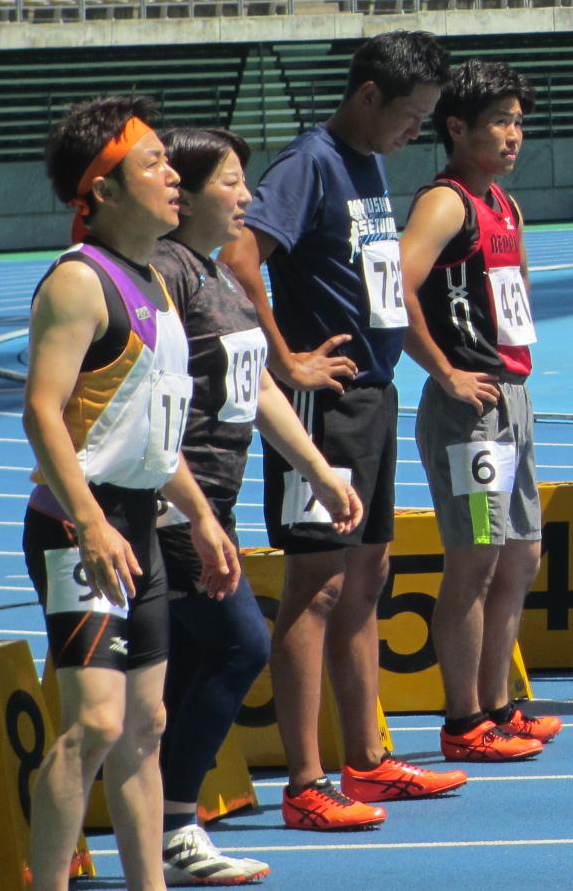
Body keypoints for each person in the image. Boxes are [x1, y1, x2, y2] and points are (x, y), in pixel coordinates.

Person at [219, 31, 462, 831]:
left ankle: (366, 759)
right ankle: (306, 781)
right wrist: (284, 361)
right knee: (316, 587)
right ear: (366, 96)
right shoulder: (310, 162)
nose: (415, 131)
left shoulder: (369, 161)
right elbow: (241, 254)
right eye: (410, 115)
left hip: (374, 396)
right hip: (329, 405)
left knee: (367, 578)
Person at [20, 96, 241, 891]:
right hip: (82, 527)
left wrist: (202, 515)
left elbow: (148, 431)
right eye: (152, 164)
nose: (173, 176)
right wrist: (88, 523)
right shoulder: (80, 284)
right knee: (95, 724)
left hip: (138, 522)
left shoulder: (156, 281)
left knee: (145, 725)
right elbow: (42, 411)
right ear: (102, 191)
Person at [151, 126, 365, 885]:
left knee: (184, 665)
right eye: (233, 182)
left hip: (214, 501)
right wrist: (191, 510)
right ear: (185, 191)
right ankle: (174, 827)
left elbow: (261, 387)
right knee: (241, 645)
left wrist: (319, 468)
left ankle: (160, 824)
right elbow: (148, 404)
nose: (247, 196)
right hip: (172, 507)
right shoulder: (165, 276)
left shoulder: (222, 277)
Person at [399, 61, 562, 762]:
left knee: (520, 556)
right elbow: (395, 287)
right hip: (470, 412)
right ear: (457, 127)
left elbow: (512, 297)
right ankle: (463, 721)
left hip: (511, 400)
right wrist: (443, 372)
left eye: (519, 121)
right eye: (500, 121)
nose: (513, 135)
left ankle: (499, 704)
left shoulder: (503, 203)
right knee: (474, 561)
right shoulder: (447, 203)